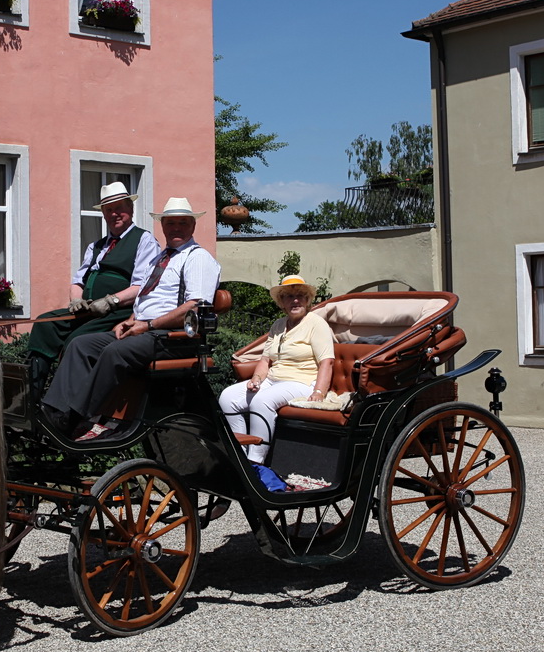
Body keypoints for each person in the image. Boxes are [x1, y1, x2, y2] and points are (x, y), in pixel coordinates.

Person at [41, 196, 220, 441]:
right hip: (146, 330)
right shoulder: (161, 258)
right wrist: (132, 319)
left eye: (182, 223)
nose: (176, 228)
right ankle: (54, 411)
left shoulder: (197, 258)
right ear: (163, 226)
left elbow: (195, 309)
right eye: (170, 223)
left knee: (116, 351)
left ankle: (77, 417)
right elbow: (146, 295)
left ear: (193, 226)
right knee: (82, 344)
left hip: (173, 339)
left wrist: (147, 325)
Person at [25, 182, 161, 394]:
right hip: (89, 310)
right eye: (109, 210)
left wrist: (110, 301)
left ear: (130, 209)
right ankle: (31, 395)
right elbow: (78, 281)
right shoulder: (96, 246)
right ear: (104, 214)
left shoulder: (144, 240)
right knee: (45, 324)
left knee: (76, 341)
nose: (115, 214)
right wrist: (77, 301)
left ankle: (64, 405)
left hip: (120, 311)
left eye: (120, 208)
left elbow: (142, 286)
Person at [219, 275, 334, 488]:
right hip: (273, 380)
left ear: (308, 300)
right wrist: (256, 378)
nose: (295, 301)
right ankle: (240, 456)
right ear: (282, 302)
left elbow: (327, 362)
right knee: (228, 397)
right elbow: (265, 360)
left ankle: (256, 463)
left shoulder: (316, 324)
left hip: (302, 382)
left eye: (300, 296)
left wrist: (319, 392)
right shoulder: (279, 325)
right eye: (289, 296)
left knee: (261, 401)